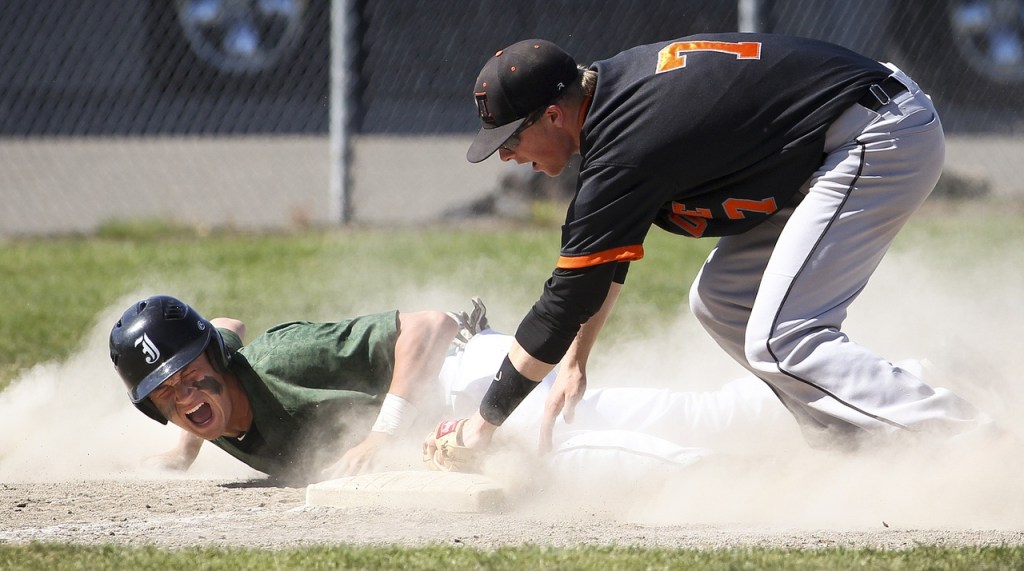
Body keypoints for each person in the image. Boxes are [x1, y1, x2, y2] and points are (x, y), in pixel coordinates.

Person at [441, 33, 994, 458]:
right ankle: (859, 444)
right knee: (723, 300)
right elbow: (601, 266)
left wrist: (483, 424)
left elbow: (563, 302)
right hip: (845, 135)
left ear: (555, 115)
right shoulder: (614, 104)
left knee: (781, 336)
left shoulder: (627, 144)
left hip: (877, 134)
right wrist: (576, 363)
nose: (507, 156)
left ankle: (974, 445)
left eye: (510, 139)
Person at [108, 295, 800, 484]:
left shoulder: (284, 357)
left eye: (195, 374)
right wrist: (184, 448)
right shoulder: (201, 406)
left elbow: (430, 325)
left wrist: (386, 429)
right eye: (165, 394)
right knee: (609, 437)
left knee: (571, 446)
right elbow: (218, 328)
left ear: (219, 361)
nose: (186, 395)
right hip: (448, 426)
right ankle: (781, 444)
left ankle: (765, 467)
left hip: (470, 378)